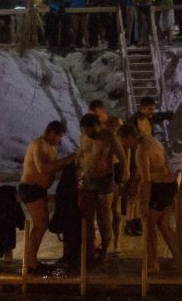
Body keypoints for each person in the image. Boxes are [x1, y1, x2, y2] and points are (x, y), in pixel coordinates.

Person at [130, 114, 182, 270]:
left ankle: (153, 263)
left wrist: (144, 204)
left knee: (148, 225)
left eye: (124, 142)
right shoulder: (153, 141)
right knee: (163, 225)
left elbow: (147, 180)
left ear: (129, 137)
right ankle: (178, 260)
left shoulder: (142, 150)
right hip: (169, 185)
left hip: (159, 187)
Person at [20, 121, 74, 274]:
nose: (60, 140)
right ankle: (30, 262)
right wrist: (65, 161)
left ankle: (31, 260)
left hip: (40, 190)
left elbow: (54, 166)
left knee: (42, 224)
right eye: (59, 136)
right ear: (51, 132)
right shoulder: (38, 144)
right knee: (40, 225)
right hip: (31, 188)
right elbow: (42, 168)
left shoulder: (52, 147)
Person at [75, 112, 120, 265]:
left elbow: (122, 156)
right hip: (88, 180)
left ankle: (105, 250)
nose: (89, 132)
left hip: (105, 180)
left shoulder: (108, 136)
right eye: (86, 129)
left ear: (98, 126)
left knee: (104, 217)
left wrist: (125, 176)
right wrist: (77, 172)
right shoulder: (83, 137)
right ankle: (89, 250)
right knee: (87, 217)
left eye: (91, 129)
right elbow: (81, 155)